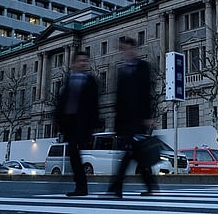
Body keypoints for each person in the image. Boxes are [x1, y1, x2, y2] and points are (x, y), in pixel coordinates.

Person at [107, 37, 156, 198]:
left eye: (128, 49)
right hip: (125, 121)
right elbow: (118, 100)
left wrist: (148, 117)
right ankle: (147, 185)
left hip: (138, 119)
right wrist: (117, 124)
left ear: (134, 49)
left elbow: (146, 94)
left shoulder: (143, 67)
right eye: (123, 49)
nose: (126, 52)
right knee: (132, 155)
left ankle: (117, 186)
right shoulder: (121, 71)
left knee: (130, 155)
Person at [55, 51, 99, 197]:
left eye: (85, 61)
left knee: (75, 154)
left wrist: (93, 125)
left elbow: (94, 104)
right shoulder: (68, 80)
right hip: (70, 124)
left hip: (83, 124)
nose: (83, 63)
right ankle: (80, 186)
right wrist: (60, 122)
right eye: (80, 61)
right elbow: (61, 103)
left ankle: (81, 186)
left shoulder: (90, 80)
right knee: (74, 155)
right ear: (74, 63)